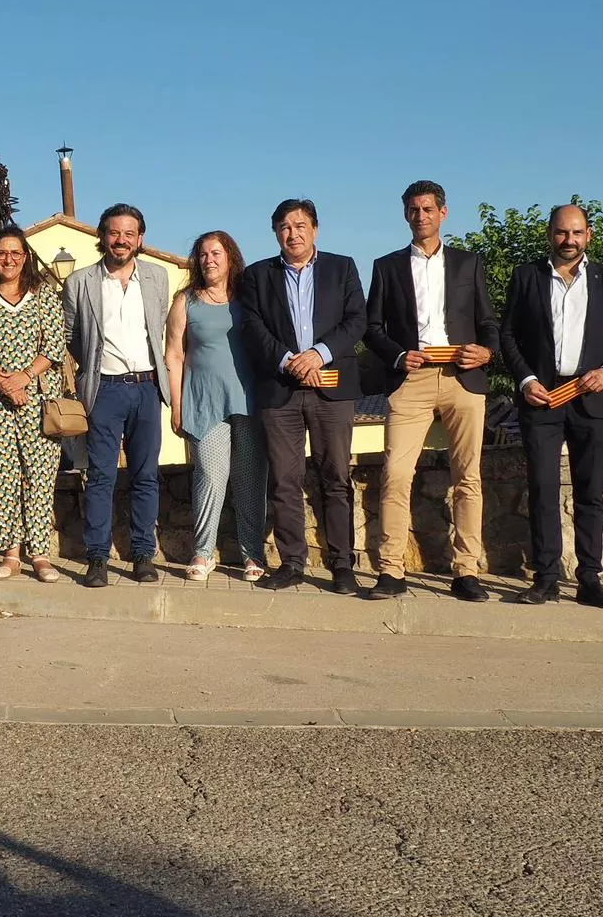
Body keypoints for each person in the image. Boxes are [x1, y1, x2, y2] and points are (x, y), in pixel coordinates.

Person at [500, 204, 603, 608]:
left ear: (589, 235)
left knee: (590, 491)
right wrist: (526, 379)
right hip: (542, 398)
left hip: (593, 397)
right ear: (550, 234)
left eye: (577, 233)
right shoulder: (526, 277)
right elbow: (508, 335)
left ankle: (589, 579)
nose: (569, 240)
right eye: (562, 233)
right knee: (543, 487)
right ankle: (545, 578)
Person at [365, 180, 499, 602]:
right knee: (396, 474)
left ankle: (466, 571)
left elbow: (490, 321)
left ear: (443, 213)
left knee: (468, 477)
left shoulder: (468, 263)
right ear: (405, 214)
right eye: (413, 209)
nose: (420, 216)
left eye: (427, 209)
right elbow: (372, 329)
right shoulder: (386, 267)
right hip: (412, 380)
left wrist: (487, 351)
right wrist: (398, 356)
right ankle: (391, 570)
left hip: (463, 377)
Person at [239, 201, 368, 593]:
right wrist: (287, 360)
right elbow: (251, 326)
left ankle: (342, 563)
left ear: (315, 228)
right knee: (284, 481)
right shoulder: (257, 275)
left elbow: (356, 320)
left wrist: (318, 354)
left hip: (332, 389)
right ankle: (292, 562)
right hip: (281, 391)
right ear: (275, 232)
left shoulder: (341, 267)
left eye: (299, 225)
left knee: (336, 477)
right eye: (283, 227)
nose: (292, 234)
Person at [62, 203, 172, 588]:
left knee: (146, 475)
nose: (121, 240)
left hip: (147, 388)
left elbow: (160, 331)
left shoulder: (157, 278)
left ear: (140, 238)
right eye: (114, 232)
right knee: (100, 476)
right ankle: (97, 558)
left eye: (129, 233)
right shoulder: (79, 282)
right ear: (102, 237)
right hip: (104, 389)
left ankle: (143, 554)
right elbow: (74, 337)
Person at [0, 227, 67, 582]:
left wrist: (22, 377)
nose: (8, 259)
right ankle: (10, 554)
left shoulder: (44, 296)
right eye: (2, 253)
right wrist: (4, 384)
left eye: (15, 253)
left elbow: (53, 346)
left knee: (38, 473)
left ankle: (40, 554)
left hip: (37, 395)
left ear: (26, 258)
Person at [167, 230, 267, 582]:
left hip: (250, 401)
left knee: (250, 477)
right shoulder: (185, 301)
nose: (209, 260)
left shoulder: (249, 299)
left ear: (230, 258)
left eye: (216, 253)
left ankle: (252, 553)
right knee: (211, 475)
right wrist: (176, 405)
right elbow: (175, 355)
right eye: (204, 254)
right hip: (203, 402)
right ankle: (203, 551)